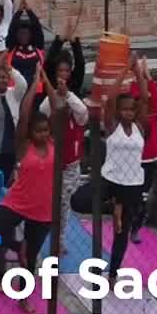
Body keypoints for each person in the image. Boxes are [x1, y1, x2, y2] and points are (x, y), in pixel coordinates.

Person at [0, 70, 62, 313]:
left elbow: (58, 110)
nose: (43, 134)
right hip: (17, 202)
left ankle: (24, 297)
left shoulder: (54, 143)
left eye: (45, 130)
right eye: (38, 131)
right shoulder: (23, 144)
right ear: (30, 132)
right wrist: (33, 85)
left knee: (30, 260)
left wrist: (47, 83)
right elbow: (25, 114)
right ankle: (14, 251)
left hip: (43, 210)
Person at [100, 57, 151, 276]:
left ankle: (113, 273)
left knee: (122, 232)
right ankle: (114, 205)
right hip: (111, 180)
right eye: (124, 110)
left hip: (132, 183)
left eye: (131, 109)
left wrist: (137, 71)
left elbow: (145, 99)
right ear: (119, 111)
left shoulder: (140, 127)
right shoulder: (112, 126)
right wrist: (124, 71)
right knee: (79, 200)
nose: (128, 113)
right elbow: (110, 99)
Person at [40, 24, 88, 221]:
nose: (63, 75)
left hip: (70, 159)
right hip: (50, 156)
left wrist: (75, 43)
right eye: (60, 71)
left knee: (63, 204)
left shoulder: (74, 91)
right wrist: (59, 40)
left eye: (67, 71)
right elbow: (49, 63)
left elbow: (81, 66)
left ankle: (59, 239)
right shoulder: (48, 93)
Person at [126, 56, 157, 244]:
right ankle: (126, 224)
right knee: (129, 194)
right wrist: (135, 72)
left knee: (142, 196)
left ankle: (135, 227)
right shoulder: (131, 103)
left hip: (148, 158)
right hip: (131, 157)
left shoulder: (153, 104)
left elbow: (150, 92)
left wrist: (144, 73)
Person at [8, 0, 46, 99]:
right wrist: (19, 12)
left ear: (31, 35)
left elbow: (38, 30)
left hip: (34, 93)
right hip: (14, 92)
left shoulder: (37, 47)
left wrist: (29, 11)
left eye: (26, 33)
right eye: (21, 33)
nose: (23, 36)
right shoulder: (12, 48)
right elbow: (11, 30)